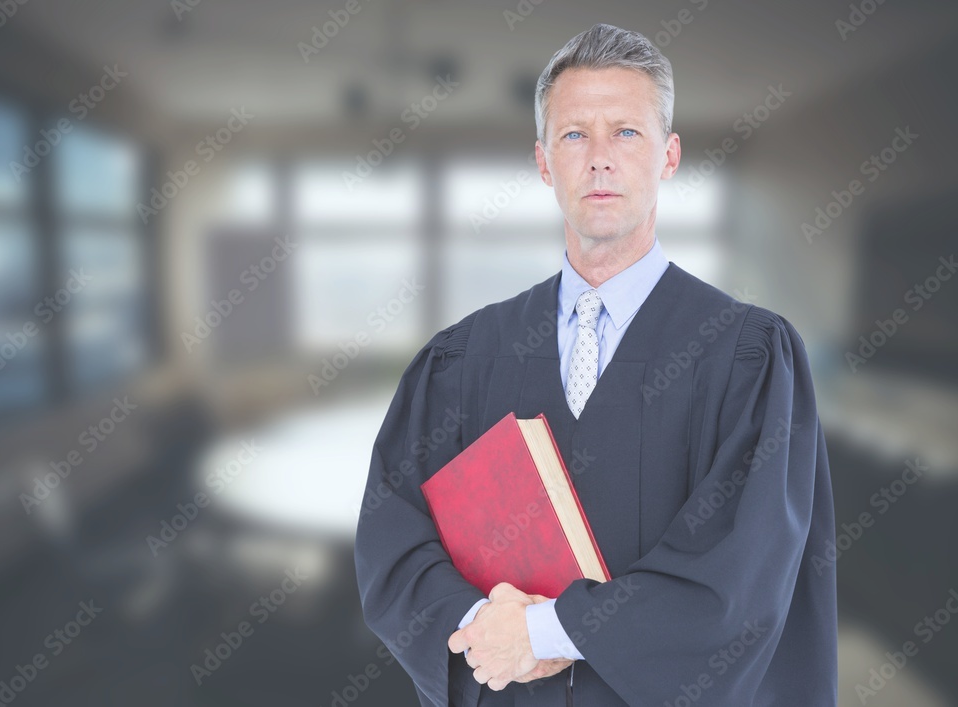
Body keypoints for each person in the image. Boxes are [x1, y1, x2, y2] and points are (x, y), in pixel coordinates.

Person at [354, 22, 837, 707]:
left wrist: (548, 631)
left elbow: (743, 570)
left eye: (627, 133)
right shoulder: (462, 356)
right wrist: (481, 625)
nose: (600, 159)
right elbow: (390, 530)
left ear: (669, 156)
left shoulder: (747, 354)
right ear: (544, 161)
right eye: (575, 134)